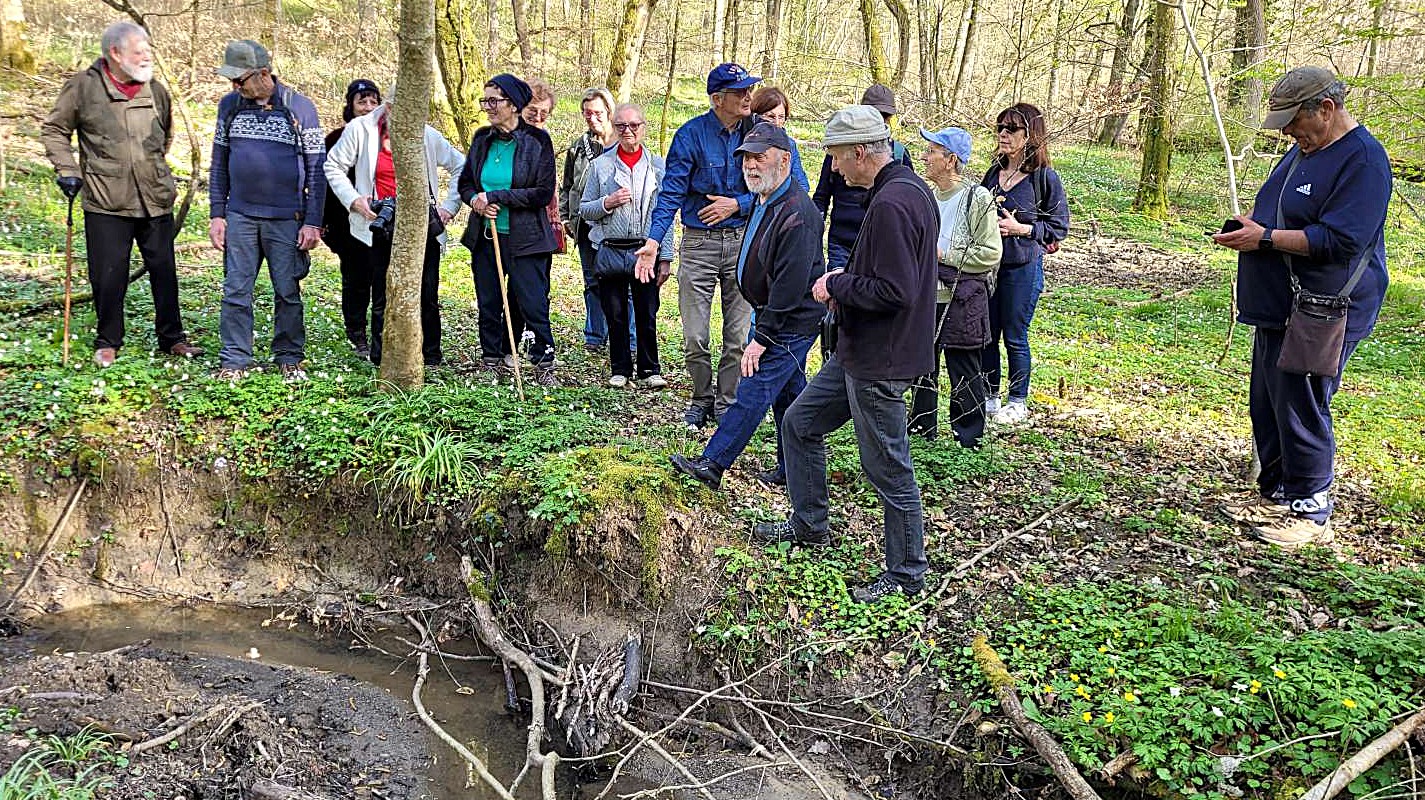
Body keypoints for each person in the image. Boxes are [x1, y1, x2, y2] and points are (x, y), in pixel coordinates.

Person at [754, 105, 938, 604]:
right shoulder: (903, 188)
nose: (833, 169)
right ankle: (809, 524)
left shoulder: (896, 202)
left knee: (888, 467)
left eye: (836, 157)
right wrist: (848, 282)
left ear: (860, 152)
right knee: (799, 423)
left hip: (881, 359)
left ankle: (906, 573)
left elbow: (896, 290)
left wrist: (837, 284)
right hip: (858, 350)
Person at [1213, 67, 1391, 548]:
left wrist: (1266, 237)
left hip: (1325, 306)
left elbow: (1341, 240)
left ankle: (1310, 509)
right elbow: (1286, 209)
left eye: (1295, 121)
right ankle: (1275, 495)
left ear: (1326, 110)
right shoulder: (1304, 150)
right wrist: (1253, 225)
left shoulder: (1364, 160)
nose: (1289, 132)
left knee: (1301, 403)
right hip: (1280, 301)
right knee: (1268, 399)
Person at [669, 122, 824, 490]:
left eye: (760, 157)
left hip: (788, 323)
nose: (750, 165)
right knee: (790, 400)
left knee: (752, 390)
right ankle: (792, 468)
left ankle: (712, 463)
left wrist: (762, 338)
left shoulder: (798, 214)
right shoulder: (764, 198)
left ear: (785, 160)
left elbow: (790, 287)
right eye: (746, 159)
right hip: (770, 315)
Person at [41, 21, 202, 368]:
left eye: (148, 50)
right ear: (115, 53)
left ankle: (172, 338)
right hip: (106, 200)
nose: (146, 57)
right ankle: (108, 340)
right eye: (138, 51)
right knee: (108, 274)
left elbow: (165, 136)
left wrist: (150, 168)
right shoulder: (83, 87)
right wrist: (68, 170)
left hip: (154, 196)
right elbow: (54, 130)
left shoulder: (155, 89)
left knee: (164, 270)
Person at [637, 63, 762, 430]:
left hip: (742, 242)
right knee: (695, 336)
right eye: (739, 92)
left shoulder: (758, 133)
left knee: (737, 336)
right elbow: (670, 194)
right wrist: (653, 242)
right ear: (717, 99)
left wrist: (736, 204)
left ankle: (726, 403)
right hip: (698, 244)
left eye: (749, 90)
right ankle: (701, 397)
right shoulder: (690, 136)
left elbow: (780, 186)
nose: (748, 97)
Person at [208, 39, 326, 383]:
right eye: (231, 80)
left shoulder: (299, 107)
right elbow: (219, 162)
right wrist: (217, 214)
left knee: (287, 290)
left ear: (262, 74)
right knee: (236, 290)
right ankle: (234, 359)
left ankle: (289, 356)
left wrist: (313, 222)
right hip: (241, 215)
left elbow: (316, 169)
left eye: (240, 79)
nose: (235, 86)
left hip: (286, 217)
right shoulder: (229, 106)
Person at [323, 84, 465, 367]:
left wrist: (448, 208)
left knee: (426, 292)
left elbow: (461, 165)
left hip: (420, 221)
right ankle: (382, 356)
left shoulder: (426, 134)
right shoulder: (361, 129)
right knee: (382, 291)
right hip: (379, 220)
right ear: (387, 108)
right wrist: (354, 199)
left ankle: (431, 356)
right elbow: (333, 165)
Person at [457, 73, 560, 386]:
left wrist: (497, 196)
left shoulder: (538, 141)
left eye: (494, 101)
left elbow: (542, 192)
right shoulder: (481, 139)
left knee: (532, 302)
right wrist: (476, 201)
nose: (487, 107)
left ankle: (543, 362)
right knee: (489, 301)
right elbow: (466, 183)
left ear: (513, 105)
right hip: (486, 236)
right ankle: (491, 359)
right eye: (485, 101)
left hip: (527, 239)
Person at [907, 128, 1002, 447]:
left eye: (931, 152)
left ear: (951, 160)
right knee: (922, 365)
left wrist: (945, 256)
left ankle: (969, 438)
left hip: (963, 299)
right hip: (926, 297)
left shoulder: (978, 198)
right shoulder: (926, 196)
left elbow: (991, 252)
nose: (924, 157)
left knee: (964, 368)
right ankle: (921, 431)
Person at [979, 102, 1069, 424]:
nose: (1003, 134)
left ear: (1030, 135)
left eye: (1012, 129)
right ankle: (989, 397)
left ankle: (1017, 401)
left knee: (1015, 335)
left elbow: (1059, 227)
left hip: (1022, 268)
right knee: (987, 334)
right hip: (988, 267)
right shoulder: (994, 173)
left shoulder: (1044, 178)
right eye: (1000, 128)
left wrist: (1023, 229)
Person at [577, 103, 673, 388]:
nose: (627, 131)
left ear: (644, 127)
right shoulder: (601, 166)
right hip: (610, 249)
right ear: (614, 128)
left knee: (647, 311)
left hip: (646, 250)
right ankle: (619, 369)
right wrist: (607, 203)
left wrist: (665, 256)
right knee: (615, 313)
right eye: (621, 126)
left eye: (633, 125)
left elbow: (665, 213)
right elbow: (585, 209)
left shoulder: (657, 166)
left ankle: (650, 369)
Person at [810, 84, 913, 272]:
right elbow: (821, 196)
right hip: (841, 243)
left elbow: (906, 204)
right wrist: (813, 229)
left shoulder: (898, 154)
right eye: (874, 114)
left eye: (884, 116)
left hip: (878, 243)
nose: (879, 120)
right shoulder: (840, 151)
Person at [322, 78, 382, 359]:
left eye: (373, 101)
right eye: (362, 102)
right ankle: (356, 332)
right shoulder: (336, 139)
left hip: (379, 220)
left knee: (379, 277)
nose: (368, 107)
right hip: (344, 222)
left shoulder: (386, 139)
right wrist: (324, 222)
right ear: (351, 105)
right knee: (356, 279)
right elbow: (325, 183)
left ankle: (380, 332)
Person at [559, 87, 619, 352]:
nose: (592, 119)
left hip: (617, 226)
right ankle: (595, 335)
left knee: (621, 283)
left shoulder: (624, 143)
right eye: (587, 114)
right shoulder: (578, 148)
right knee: (592, 281)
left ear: (609, 111)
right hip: (584, 223)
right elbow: (567, 186)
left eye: (597, 113)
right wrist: (566, 218)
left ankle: (626, 338)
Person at [747, 86, 809, 191]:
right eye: (770, 116)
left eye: (781, 117)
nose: (776, 122)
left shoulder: (789, 144)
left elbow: (802, 185)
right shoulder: (744, 143)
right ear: (755, 116)